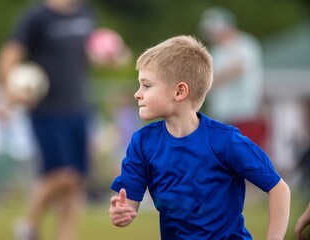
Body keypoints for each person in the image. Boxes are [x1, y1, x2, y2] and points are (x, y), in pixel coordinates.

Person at [108, 35, 290, 239]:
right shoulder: (142, 143)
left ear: (180, 91)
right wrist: (120, 212)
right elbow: (128, 205)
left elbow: (278, 189)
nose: (137, 94)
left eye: (147, 86)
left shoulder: (226, 141)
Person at [0, 0, 129, 239]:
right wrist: (7, 95)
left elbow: (92, 54)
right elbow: (10, 55)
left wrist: (112, 57)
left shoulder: (87, 13)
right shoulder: (36, 16)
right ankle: (28, 228)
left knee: (76, 180)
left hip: (78, 107)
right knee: (60, 174)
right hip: (46, 109)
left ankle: (65, 236)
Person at [199, 7, 267, 150]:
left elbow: (238, 69)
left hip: (244, 112)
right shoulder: (216, 51)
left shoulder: (246, 44)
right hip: (222, 114)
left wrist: (212, 81)